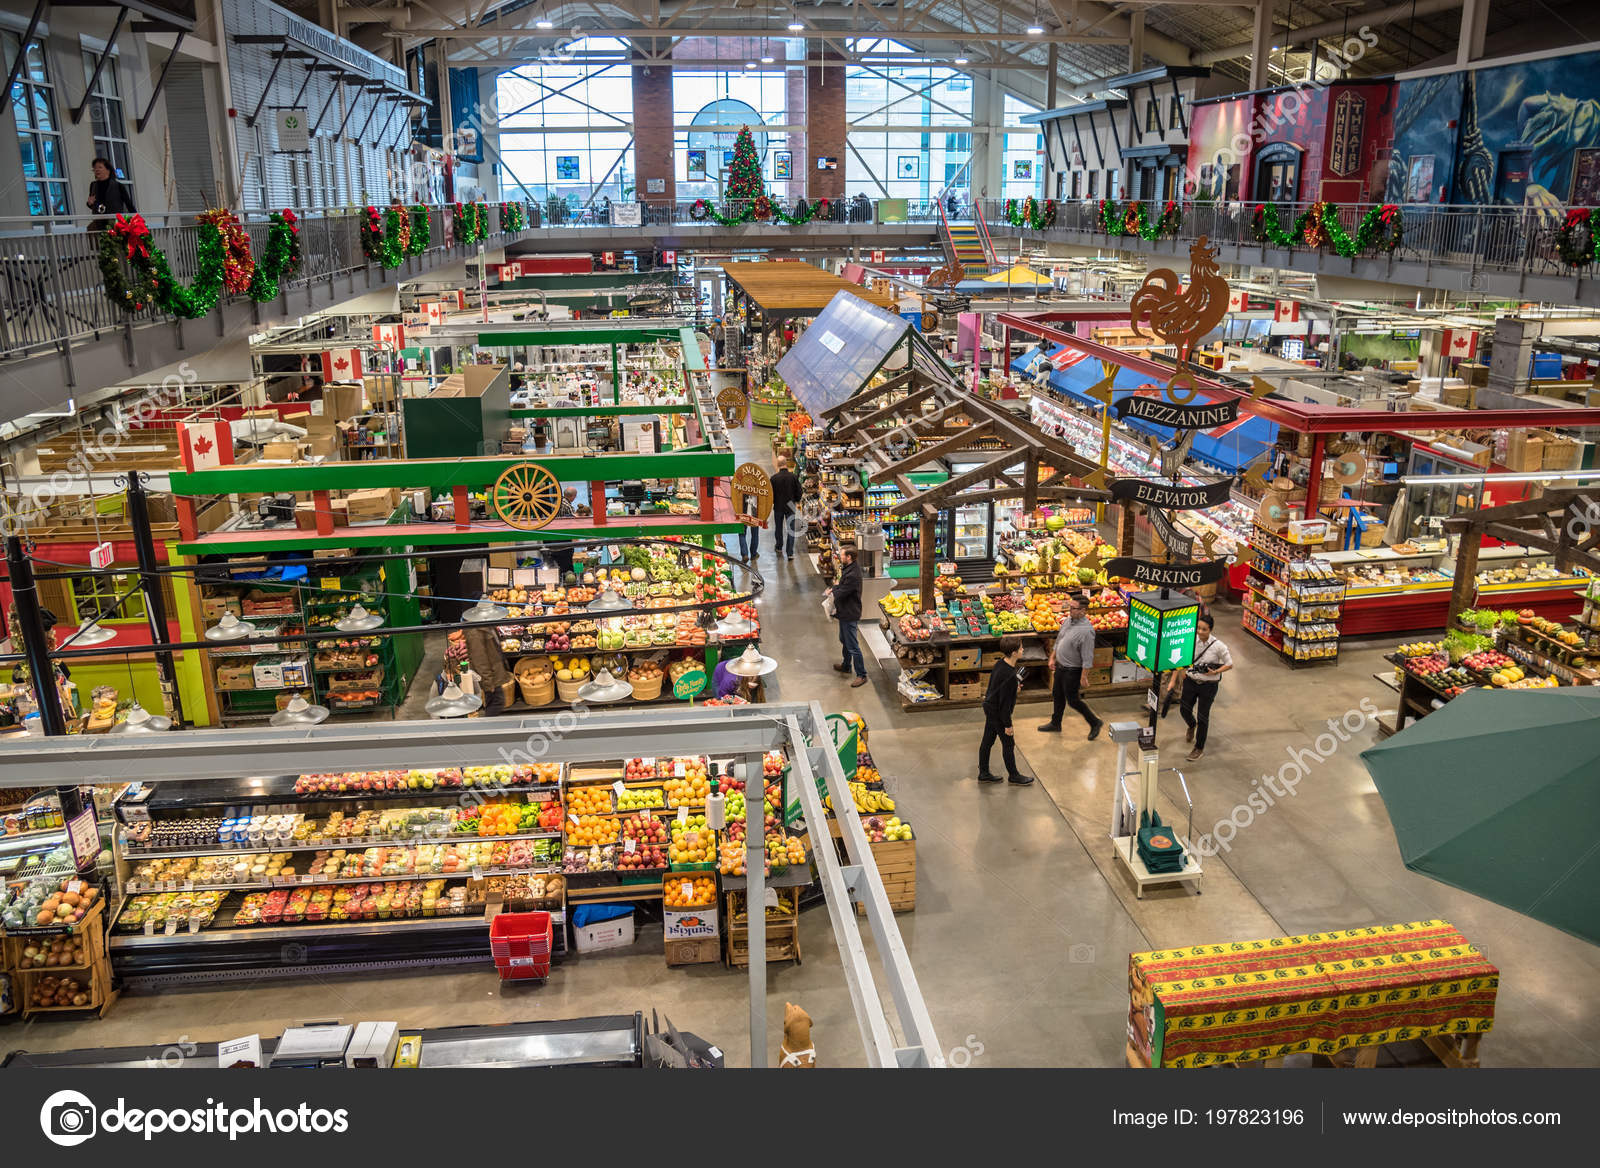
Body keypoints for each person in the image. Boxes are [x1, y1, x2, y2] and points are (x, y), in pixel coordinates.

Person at [1037, 592, 1102, 739]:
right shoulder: (1068, 621)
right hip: (1061, 667)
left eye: (1073, 608)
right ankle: (1055, 723)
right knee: (1057, 695)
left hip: (1073, 671)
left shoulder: (1087, 631)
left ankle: (1095, 722)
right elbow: (1059, 640)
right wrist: (1052, 658)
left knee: (1073, 700)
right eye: (1070, 607)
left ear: (1083, 611)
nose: (1070, 610)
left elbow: (1087, 657)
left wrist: (1084, 677)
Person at [1179, 614, 1232, 762]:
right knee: (1184, 709)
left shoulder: (1218, 646)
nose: (1200, 632)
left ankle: (1199, 748)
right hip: (1191, 681)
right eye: (1198, 628)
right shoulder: (1191, 640)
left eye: (1204, 629)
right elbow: (1184, 657)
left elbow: (1229, 664)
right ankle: (1191, 724)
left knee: (1203, 716)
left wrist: (1215, 672)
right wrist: (1182, 670)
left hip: (1208, 686)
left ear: (1211, 630)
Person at [977, 637, 1028, 785]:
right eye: (1020, 648)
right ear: (1014, 653)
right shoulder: (1011, 675)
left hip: (990, 706)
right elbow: (1005, 704)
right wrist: (1008, 725)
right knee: (1008, 743)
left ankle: (984, 773)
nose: (1023, 650)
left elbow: (996, 688)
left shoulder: (1000, 664)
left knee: (987, 740)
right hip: (998, 712)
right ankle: (1014, 775)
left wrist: (1014, 689)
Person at [828, 547, 867, 688]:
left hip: (850, 612)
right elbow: (841, 586)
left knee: (853, 645)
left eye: (842, 555)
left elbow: (843, 591)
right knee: (844, 639)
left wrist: (832, 590)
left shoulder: (853, 574)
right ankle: (846, 665)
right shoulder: (849, 568)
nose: (840, 556)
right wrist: (835, 588)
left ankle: (862, 674)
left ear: (849, 557)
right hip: (845, 611)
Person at [85, 157, 134, 229]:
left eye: (100, 167)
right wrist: (89, 203)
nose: (97, 170)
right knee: (91, 229)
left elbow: (129, 204)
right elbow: (92, 204)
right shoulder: (93, 185)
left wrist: (136, 220)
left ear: (108, 170)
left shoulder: (118, 185)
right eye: (95, 168)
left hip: (114, 222)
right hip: (99, 222)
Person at [769, 457, 802, 560]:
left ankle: (779, 547)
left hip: (778, 506)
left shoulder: (773, 478)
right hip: (790, 506)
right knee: (791, 529)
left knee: (778, 528)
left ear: (778, 465)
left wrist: (774, 502)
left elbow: (770, 494)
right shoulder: (793, 477)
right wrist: (796, 500)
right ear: (786, 463)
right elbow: (799, 492)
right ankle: (790, 552)